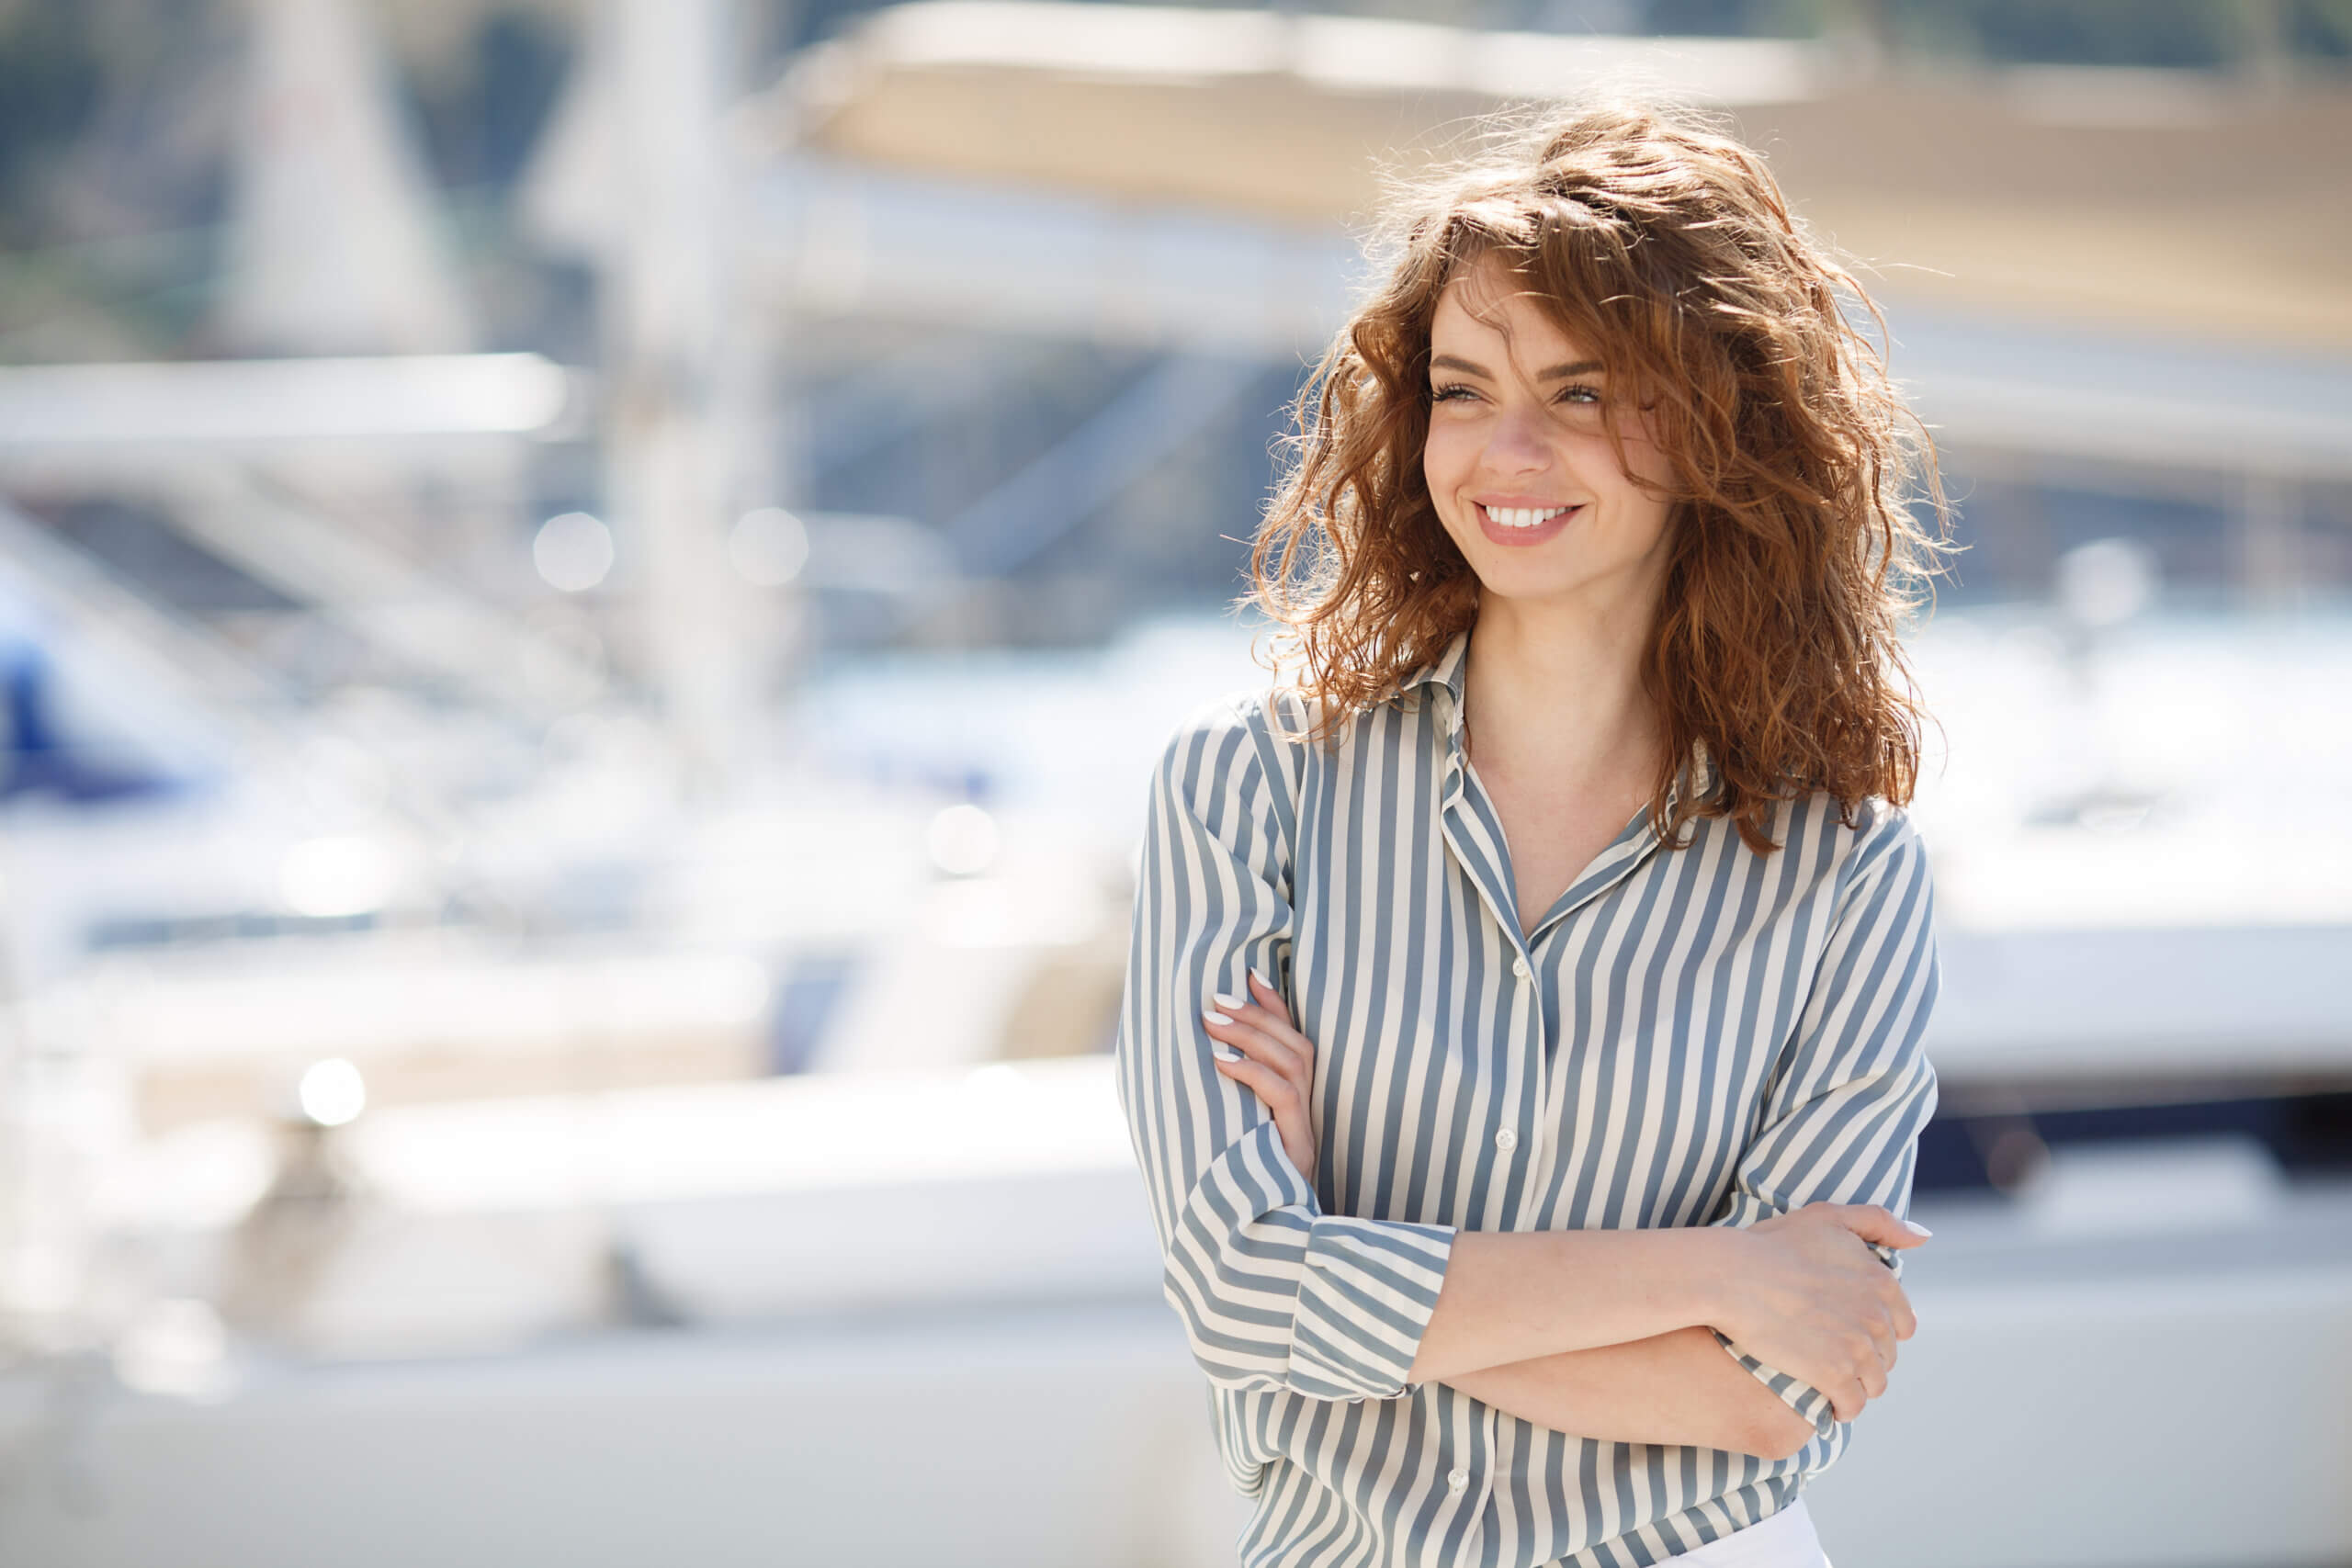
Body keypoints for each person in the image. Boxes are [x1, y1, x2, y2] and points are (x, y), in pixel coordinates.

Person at [1114, 97, 1948, 1568]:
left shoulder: (1846, 878)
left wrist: (1345, 1253)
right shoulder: (1249, 796)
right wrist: (1717, 1272)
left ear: (1715, 429)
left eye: (1580, 393)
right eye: (1459, 387)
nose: (1504, 451)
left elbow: (1770, 1398)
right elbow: (1236, 1295)